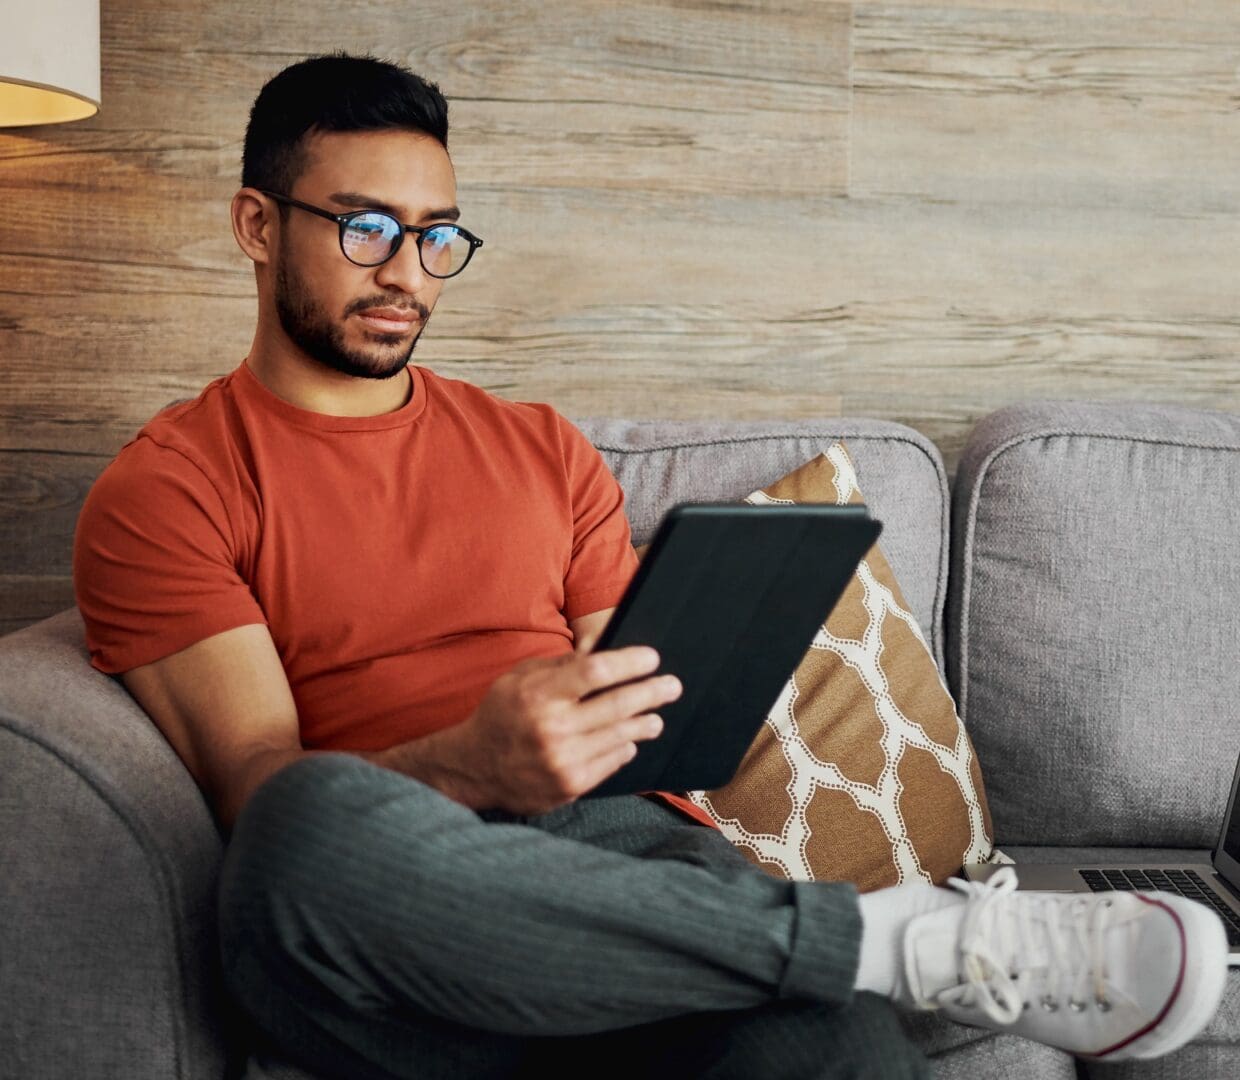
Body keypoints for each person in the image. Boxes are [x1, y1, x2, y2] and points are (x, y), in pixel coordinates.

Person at [72, 51, 1229, 1080]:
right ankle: (897, 943)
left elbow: (633, 704)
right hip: (392, 910)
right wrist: (473, 763)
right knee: (303, 826)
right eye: (366, 228)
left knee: (831, 1043)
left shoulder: (538, 448)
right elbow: (257, 783)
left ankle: (861, 956)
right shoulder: (171, 485)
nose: (408, 273)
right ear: (257, 225)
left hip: (618, 869)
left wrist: (615, 714)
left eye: (438, 236)